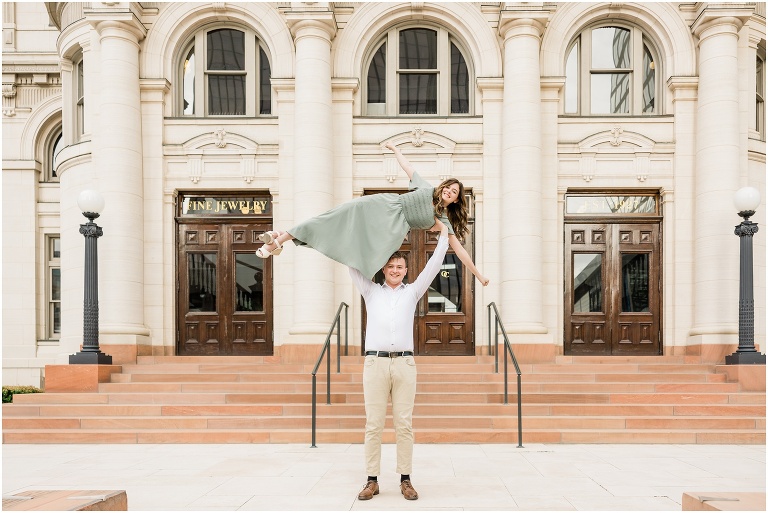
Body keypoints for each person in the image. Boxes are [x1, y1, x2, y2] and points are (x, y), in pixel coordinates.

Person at [255, 141, 490, 286]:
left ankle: (278, 239)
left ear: (458, 199)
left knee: (362, 253)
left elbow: (459, 250)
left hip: (390, 230)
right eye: (448, 187)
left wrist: (478, 276)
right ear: (442, 187)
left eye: (454, 191)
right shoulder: (425, 188)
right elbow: (408, 167)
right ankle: (279, 240)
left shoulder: (443, 221)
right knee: (332, 219)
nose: (449, 191)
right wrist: (395, 150)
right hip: (379, 206)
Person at [351, 218, 450, 502]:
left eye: (400, 267)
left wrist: (444, 232)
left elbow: (433, 266)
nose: (395, 271)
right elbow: (351, 264)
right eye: (391, 266)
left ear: (406, 271)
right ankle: (372, 480)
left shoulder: (413, 292)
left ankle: (406, 479)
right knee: (373, 423)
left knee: (404, 423)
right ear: (384, 269)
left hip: (405, 364)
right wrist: (353, 233)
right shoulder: (370, 291)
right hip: (375, 364)